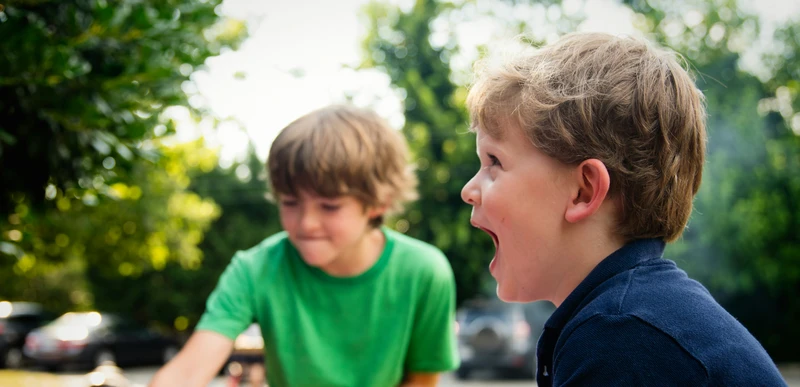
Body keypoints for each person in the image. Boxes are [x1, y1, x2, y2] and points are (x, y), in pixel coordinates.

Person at [460, 32, 787, 386]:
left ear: (584, 191)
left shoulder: (620, 338)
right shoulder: (637, 315)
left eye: (494, 161)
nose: (468, 191)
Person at [151, 105, 459, 387]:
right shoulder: (255, 268)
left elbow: (421, 381)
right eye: (290, 202)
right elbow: (189, 370)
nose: (306, 223)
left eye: (329, 206)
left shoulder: (424, 271)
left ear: (379, 202)